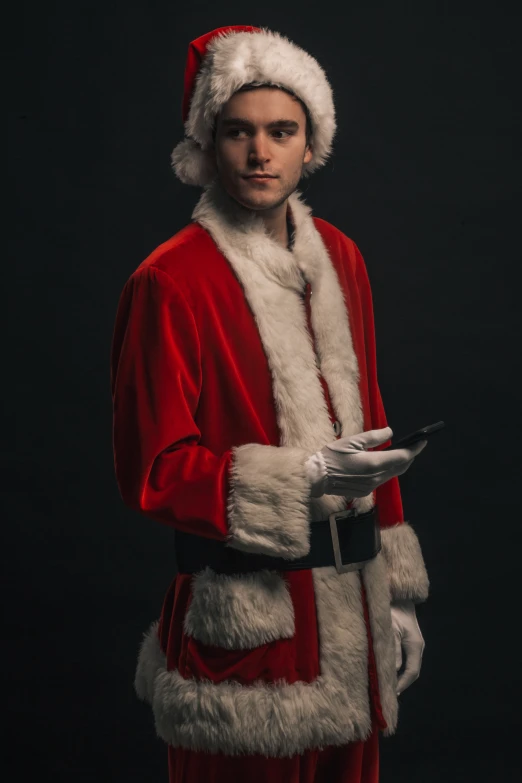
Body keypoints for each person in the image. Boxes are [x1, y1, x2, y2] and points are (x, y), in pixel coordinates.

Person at [110, 25, 430, 783]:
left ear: (309, 143)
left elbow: (373, 420)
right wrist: (305, 474)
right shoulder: (169, 279)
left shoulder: (341, 257)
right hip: (249, 632)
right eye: (238, 132)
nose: (260, 153)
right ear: (207, 144)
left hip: (353, 620)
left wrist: (399, 596)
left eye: (280, 132)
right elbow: (151, 468)